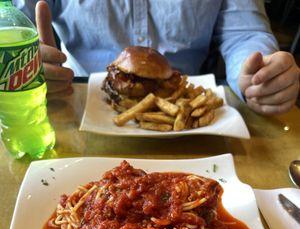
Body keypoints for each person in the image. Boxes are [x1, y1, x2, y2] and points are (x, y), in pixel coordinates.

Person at [15, 0, 299, 115]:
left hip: (185, 108)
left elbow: (245, 34)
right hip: (74, 100)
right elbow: (12, 21)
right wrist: (21, 61)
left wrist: (259, 76)